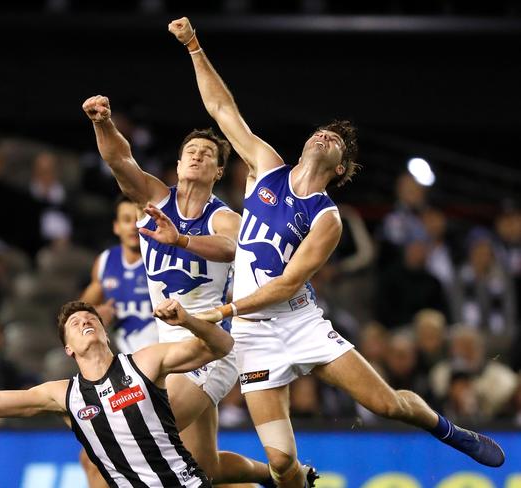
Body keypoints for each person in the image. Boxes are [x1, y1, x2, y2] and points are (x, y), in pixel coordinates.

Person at [167, 15, 505, 486]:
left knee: (385, 403)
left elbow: (286, 283)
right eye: (322, 131)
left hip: (298, 322)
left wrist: (227, 307)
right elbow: (223, 110)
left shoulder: (328, 218)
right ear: (306, 143)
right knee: (282, 462)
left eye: (338, 141)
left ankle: (447, 430)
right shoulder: (266, 168)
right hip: (253, 336)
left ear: (340, 165)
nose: (327, 136)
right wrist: (193, 46)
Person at [82, 98, 282, 486]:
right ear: (177, 164)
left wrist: (183, 240)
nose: (197, 156)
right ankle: (279, 474)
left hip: (210, 348)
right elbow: (120, 161)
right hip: (166, 348)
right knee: (205, 466)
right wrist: (103, 123)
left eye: (207, 154)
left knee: (130, 437)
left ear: (218, 170)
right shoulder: (154, 200)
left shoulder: (224, 216)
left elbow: (233, 247)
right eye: (190, 151)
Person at [0, 299, 231, 488]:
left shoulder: (147, 361)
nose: (85, 321)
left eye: (91, 319)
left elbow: (220, 345)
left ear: (105, 333)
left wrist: (188, 320)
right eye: (75, 323)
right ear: (68, 349)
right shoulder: (64, 395)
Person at [81, 194, 158, 355]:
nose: (133, 226)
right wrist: (96, 317)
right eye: (126, 220)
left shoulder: (162, 258)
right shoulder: (105, 260)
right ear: (116, 226)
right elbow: (80, 310)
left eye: (138, 219)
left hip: (159, 351)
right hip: (120, 354)